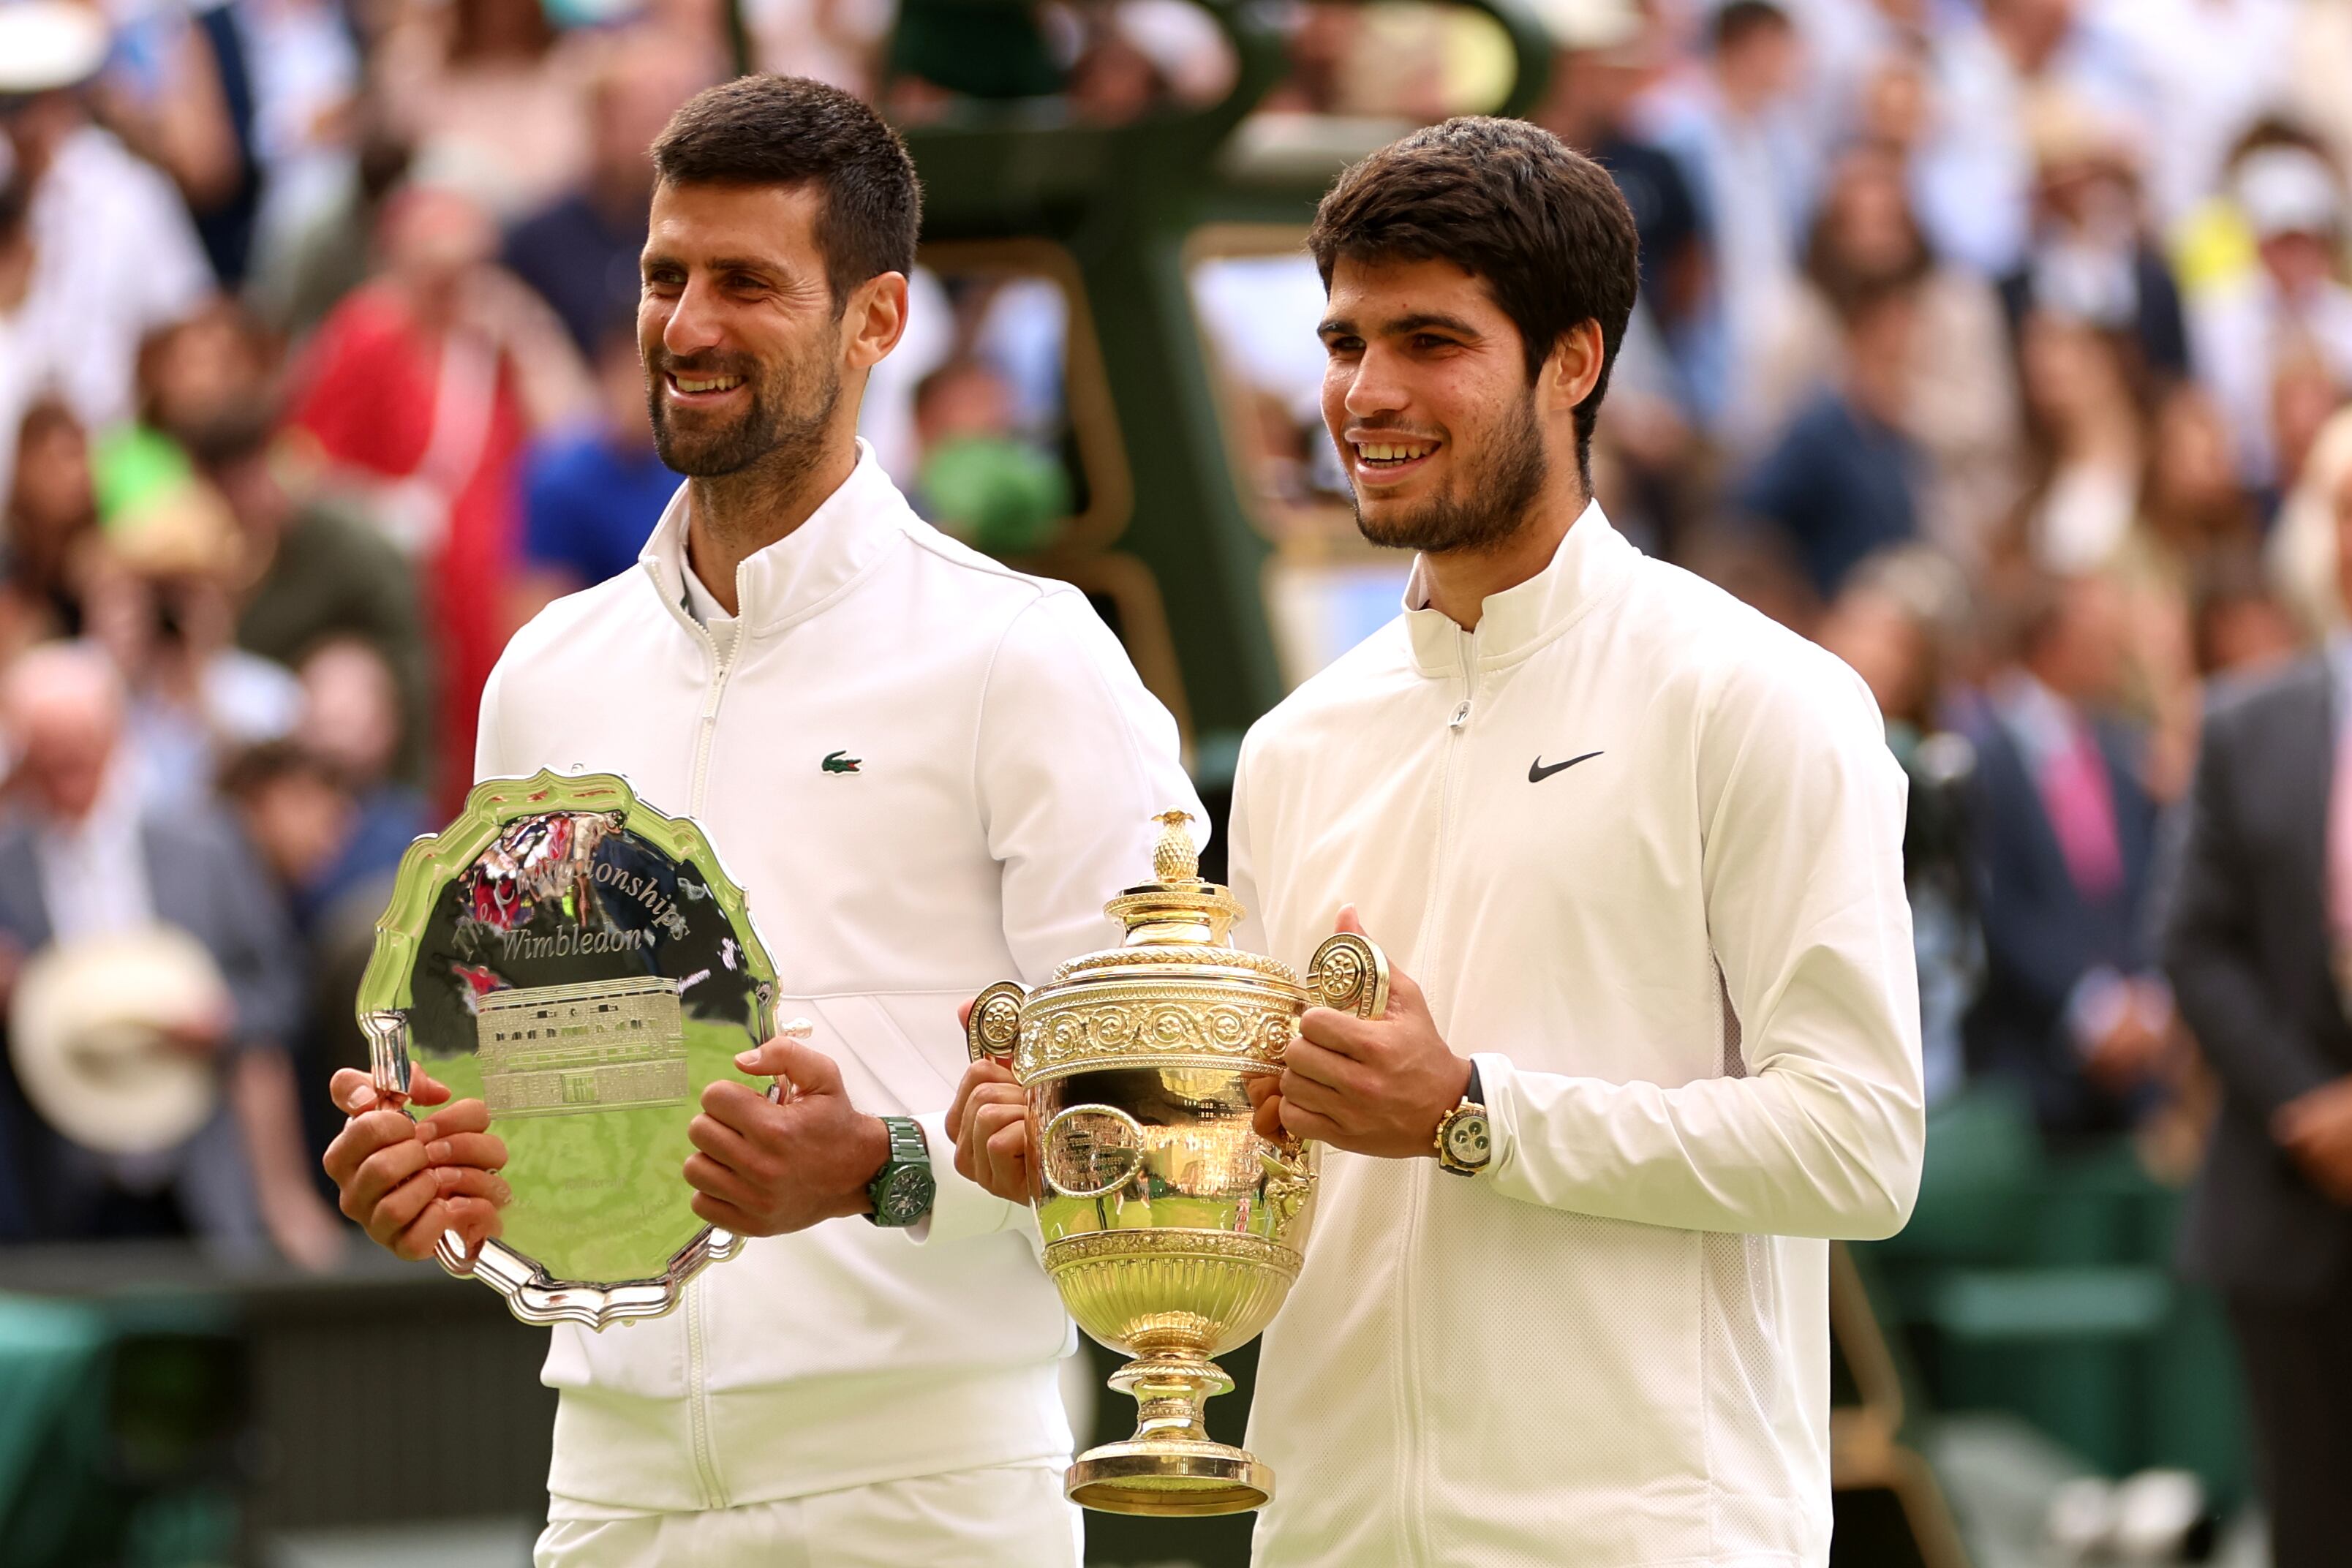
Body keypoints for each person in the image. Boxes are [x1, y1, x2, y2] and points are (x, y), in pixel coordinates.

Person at [957, 115, 1926, 1566]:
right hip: (1332, 1531)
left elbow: (1860, 1146)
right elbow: (1288, 1155)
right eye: (1346, 343)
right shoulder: (1296, 750)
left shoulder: (1759, 698)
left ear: (1573, 360)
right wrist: (1098, 1155)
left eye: (1429, 341)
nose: (1365, 392)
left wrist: (1474, 1109)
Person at [317, 75, 1196, 1567]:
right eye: (668, 275)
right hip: (610, 1491)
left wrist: (884, 1170)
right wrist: (440, 1185)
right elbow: (540, 1103)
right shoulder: (548, 671)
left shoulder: (1025, 655)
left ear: (879, 321)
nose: (691, 323)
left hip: (925, 1496)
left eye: (748, 282)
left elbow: (1168, 1121)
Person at [0, 641, 340, 1268]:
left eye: (79, 738)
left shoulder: (205, 845)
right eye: (47, 746)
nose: (65, 760)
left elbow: (283, 991)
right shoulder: (7, 867)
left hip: (201, 1181)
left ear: (114, 734)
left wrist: (223, 1021)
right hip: (64, 1194)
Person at [2162, 475, 2352, 1568]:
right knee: (2312, 1525)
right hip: (2287, 1197)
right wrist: (2311, 1102)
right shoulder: (2245, 726)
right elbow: (2193, 942)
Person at [1963, 573, 2173, 1138]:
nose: (2114, 653)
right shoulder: (1985, 756)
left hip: (2135, 1073)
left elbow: (2147, 881)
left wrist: (2147, 1002)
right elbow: (1997, 908)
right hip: (2032, 1072)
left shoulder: (2121, 747)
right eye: (2099, 638)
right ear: (2051, 642)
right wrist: (2091, 1009)